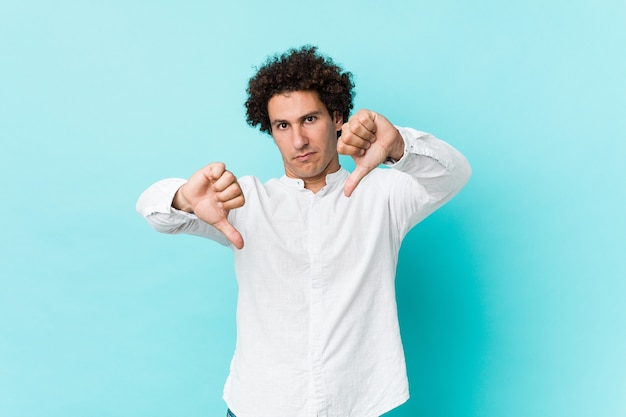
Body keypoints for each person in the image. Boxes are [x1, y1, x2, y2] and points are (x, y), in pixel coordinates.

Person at [136, 45, 471, 417]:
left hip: (357, 404)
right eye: (283, 126)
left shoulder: (385, 194)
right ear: (272, 131)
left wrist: (399, 147)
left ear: (338, 116)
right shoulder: (242, 200)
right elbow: (153, 210)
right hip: (259, 404)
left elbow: (454, 173)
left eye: (310, 119)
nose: (298, 141)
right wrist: (182, 197)